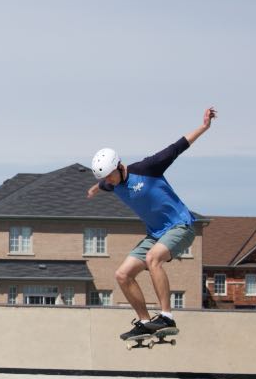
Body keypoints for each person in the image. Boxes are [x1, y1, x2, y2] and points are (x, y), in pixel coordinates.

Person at [87, 107, 217, 341]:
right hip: (156, 234)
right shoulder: (111, 183)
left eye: (109, 176)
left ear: (119, 166)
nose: (109, 182)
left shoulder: (147, 168)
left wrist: (204, 126)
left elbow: (177, 147)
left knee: (152, 259)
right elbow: (104, 185)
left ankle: (166, 316)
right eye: (105, 179)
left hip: (181, 226)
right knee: (122, 274)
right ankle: (145, 322)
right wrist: (96, 188)